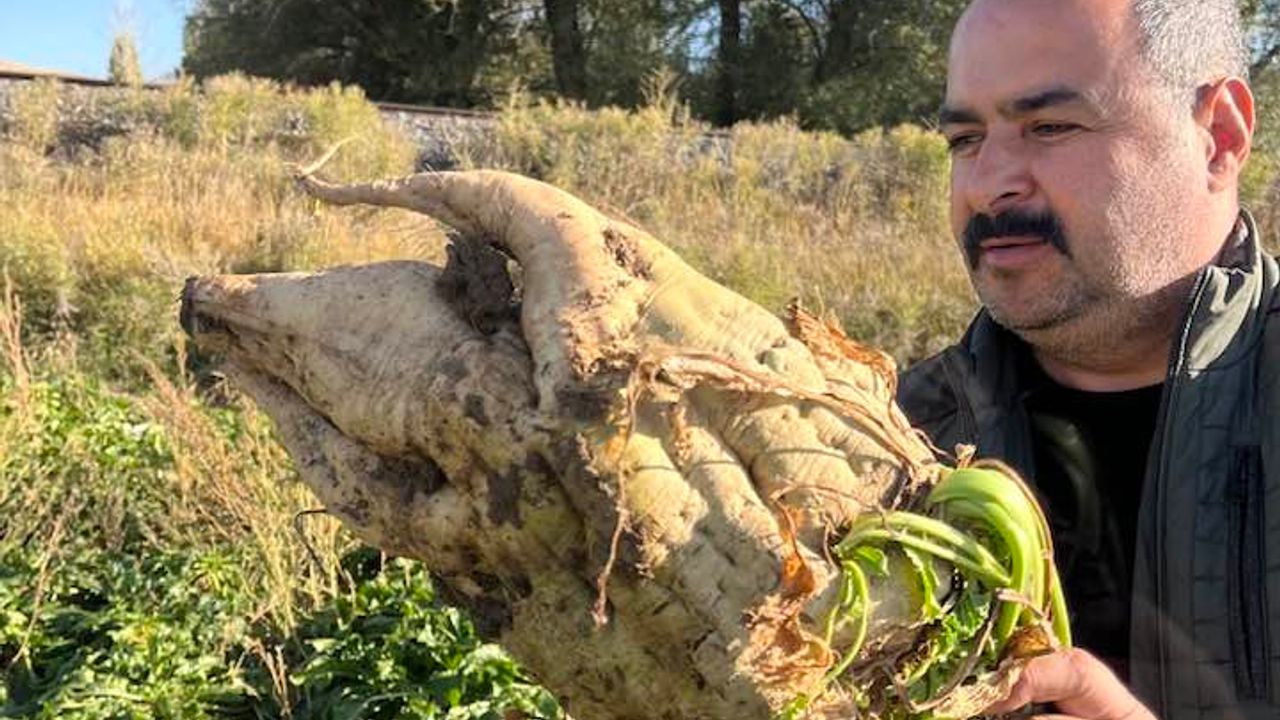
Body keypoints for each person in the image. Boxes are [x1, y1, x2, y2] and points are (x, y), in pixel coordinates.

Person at [897, 0, 1280, 719]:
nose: (986, 184)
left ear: (1220, 136)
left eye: (1050, 127)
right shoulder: (891, 441)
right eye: (964, 138)